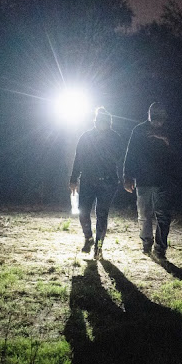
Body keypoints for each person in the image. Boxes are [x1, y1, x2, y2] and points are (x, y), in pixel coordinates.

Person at [122, 102, 175, 260]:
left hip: (164, 180)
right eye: (154, 119)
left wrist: (166, 140)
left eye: (160, 120)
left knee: (163, 215)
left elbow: (181, 153)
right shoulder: (138, 130)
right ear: (149, 116)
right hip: (144, 179)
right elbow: (130, 154)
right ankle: (146, 242)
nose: (157, 123)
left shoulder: (169, 131)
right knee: (144, 213)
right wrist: (127, 176)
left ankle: (160, 248)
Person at [69, 107, 123, 260]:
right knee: (83, 211)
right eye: (100, 121)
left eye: (106, 122)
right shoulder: (86, 137)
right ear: (95, 121)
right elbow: (78, 158)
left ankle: (99, 247)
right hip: (88, 180)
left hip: (108, 182)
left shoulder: (115, 138)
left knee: (102, 214)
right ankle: (88, 237)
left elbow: (119, 158)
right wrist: (73, 179)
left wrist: (124, 177)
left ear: (110, 123)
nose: (102, 124)